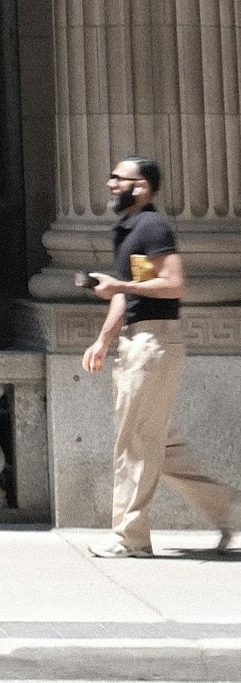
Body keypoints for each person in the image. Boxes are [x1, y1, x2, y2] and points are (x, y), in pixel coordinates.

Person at [80, 154, 236, 560]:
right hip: (136, 344)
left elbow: (174, 284)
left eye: (120, 179)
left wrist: (119, 284)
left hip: (153, 343)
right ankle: (227, 506)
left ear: (142, 187)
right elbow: (128, 291)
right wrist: (103, 338)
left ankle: (130, 537)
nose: (112, 184)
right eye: (111, 177)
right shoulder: (129, 229)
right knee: (157, 444)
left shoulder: (152, 226)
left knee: (135, 442)